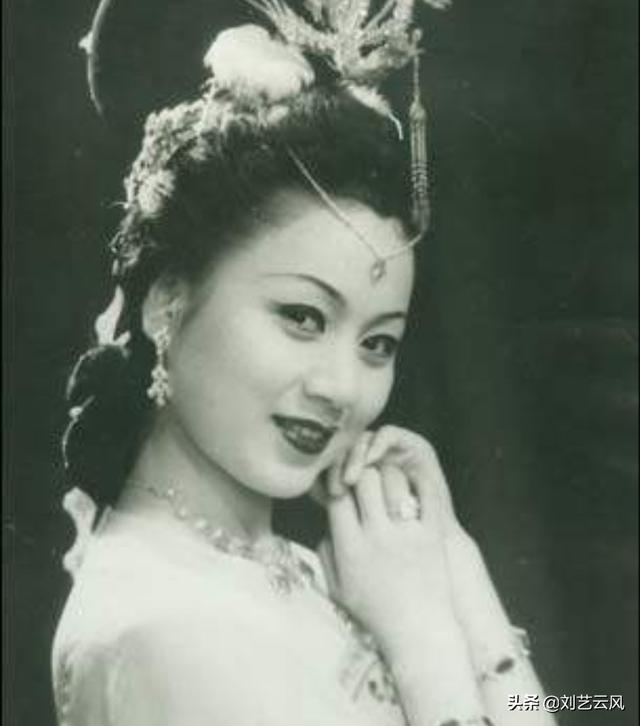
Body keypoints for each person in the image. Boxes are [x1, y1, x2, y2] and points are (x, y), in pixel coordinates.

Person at [52, 1, 557, 724]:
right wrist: (423, 638)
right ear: (166, 304)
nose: (341, 388)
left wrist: (455, 567)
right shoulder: (166, 629)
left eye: (377, 343)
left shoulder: (303, 570)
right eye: (303, 317)